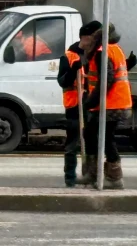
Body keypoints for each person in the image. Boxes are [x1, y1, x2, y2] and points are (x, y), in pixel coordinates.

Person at [79, 21, 134, 190]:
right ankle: (94, 173)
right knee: (91, 133)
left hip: (111, 103)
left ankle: (113, 177)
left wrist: (91, 101)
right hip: (114, 102)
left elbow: (107, 79)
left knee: (105, 138)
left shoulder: (103, 52)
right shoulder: (113, 49)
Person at [56, 33, 86, 187]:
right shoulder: (69, 57)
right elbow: (63, 81)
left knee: (92, 143)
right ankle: (70, 178)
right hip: (74, 106)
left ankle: (90, 175)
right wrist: (73, 70)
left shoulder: (95, 55)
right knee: (72, 144)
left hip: (91, 105)